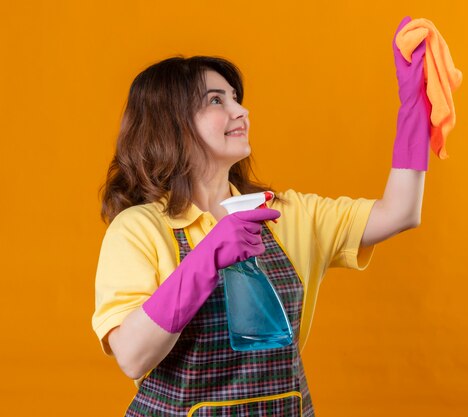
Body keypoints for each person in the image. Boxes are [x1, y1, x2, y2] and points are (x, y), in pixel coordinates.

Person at [92, 17, 428, 417]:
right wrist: (207, 259)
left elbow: (400, 211)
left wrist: (414, 107)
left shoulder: (285, 214)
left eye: (236, 98)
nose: (242, 110)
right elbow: (131, 356)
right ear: (173, 126)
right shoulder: (139, 229)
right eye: (217, 100)